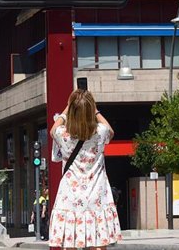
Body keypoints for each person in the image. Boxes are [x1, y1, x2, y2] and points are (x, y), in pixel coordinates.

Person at [48, 89, 122, 249]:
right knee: (99, 242)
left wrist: (67, 109)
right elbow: (110, 130)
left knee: (70, 242)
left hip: (70, 197)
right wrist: (95, 111)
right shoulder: (100, 132)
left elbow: (53, 130)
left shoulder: (63, 135)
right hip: (97, 195)